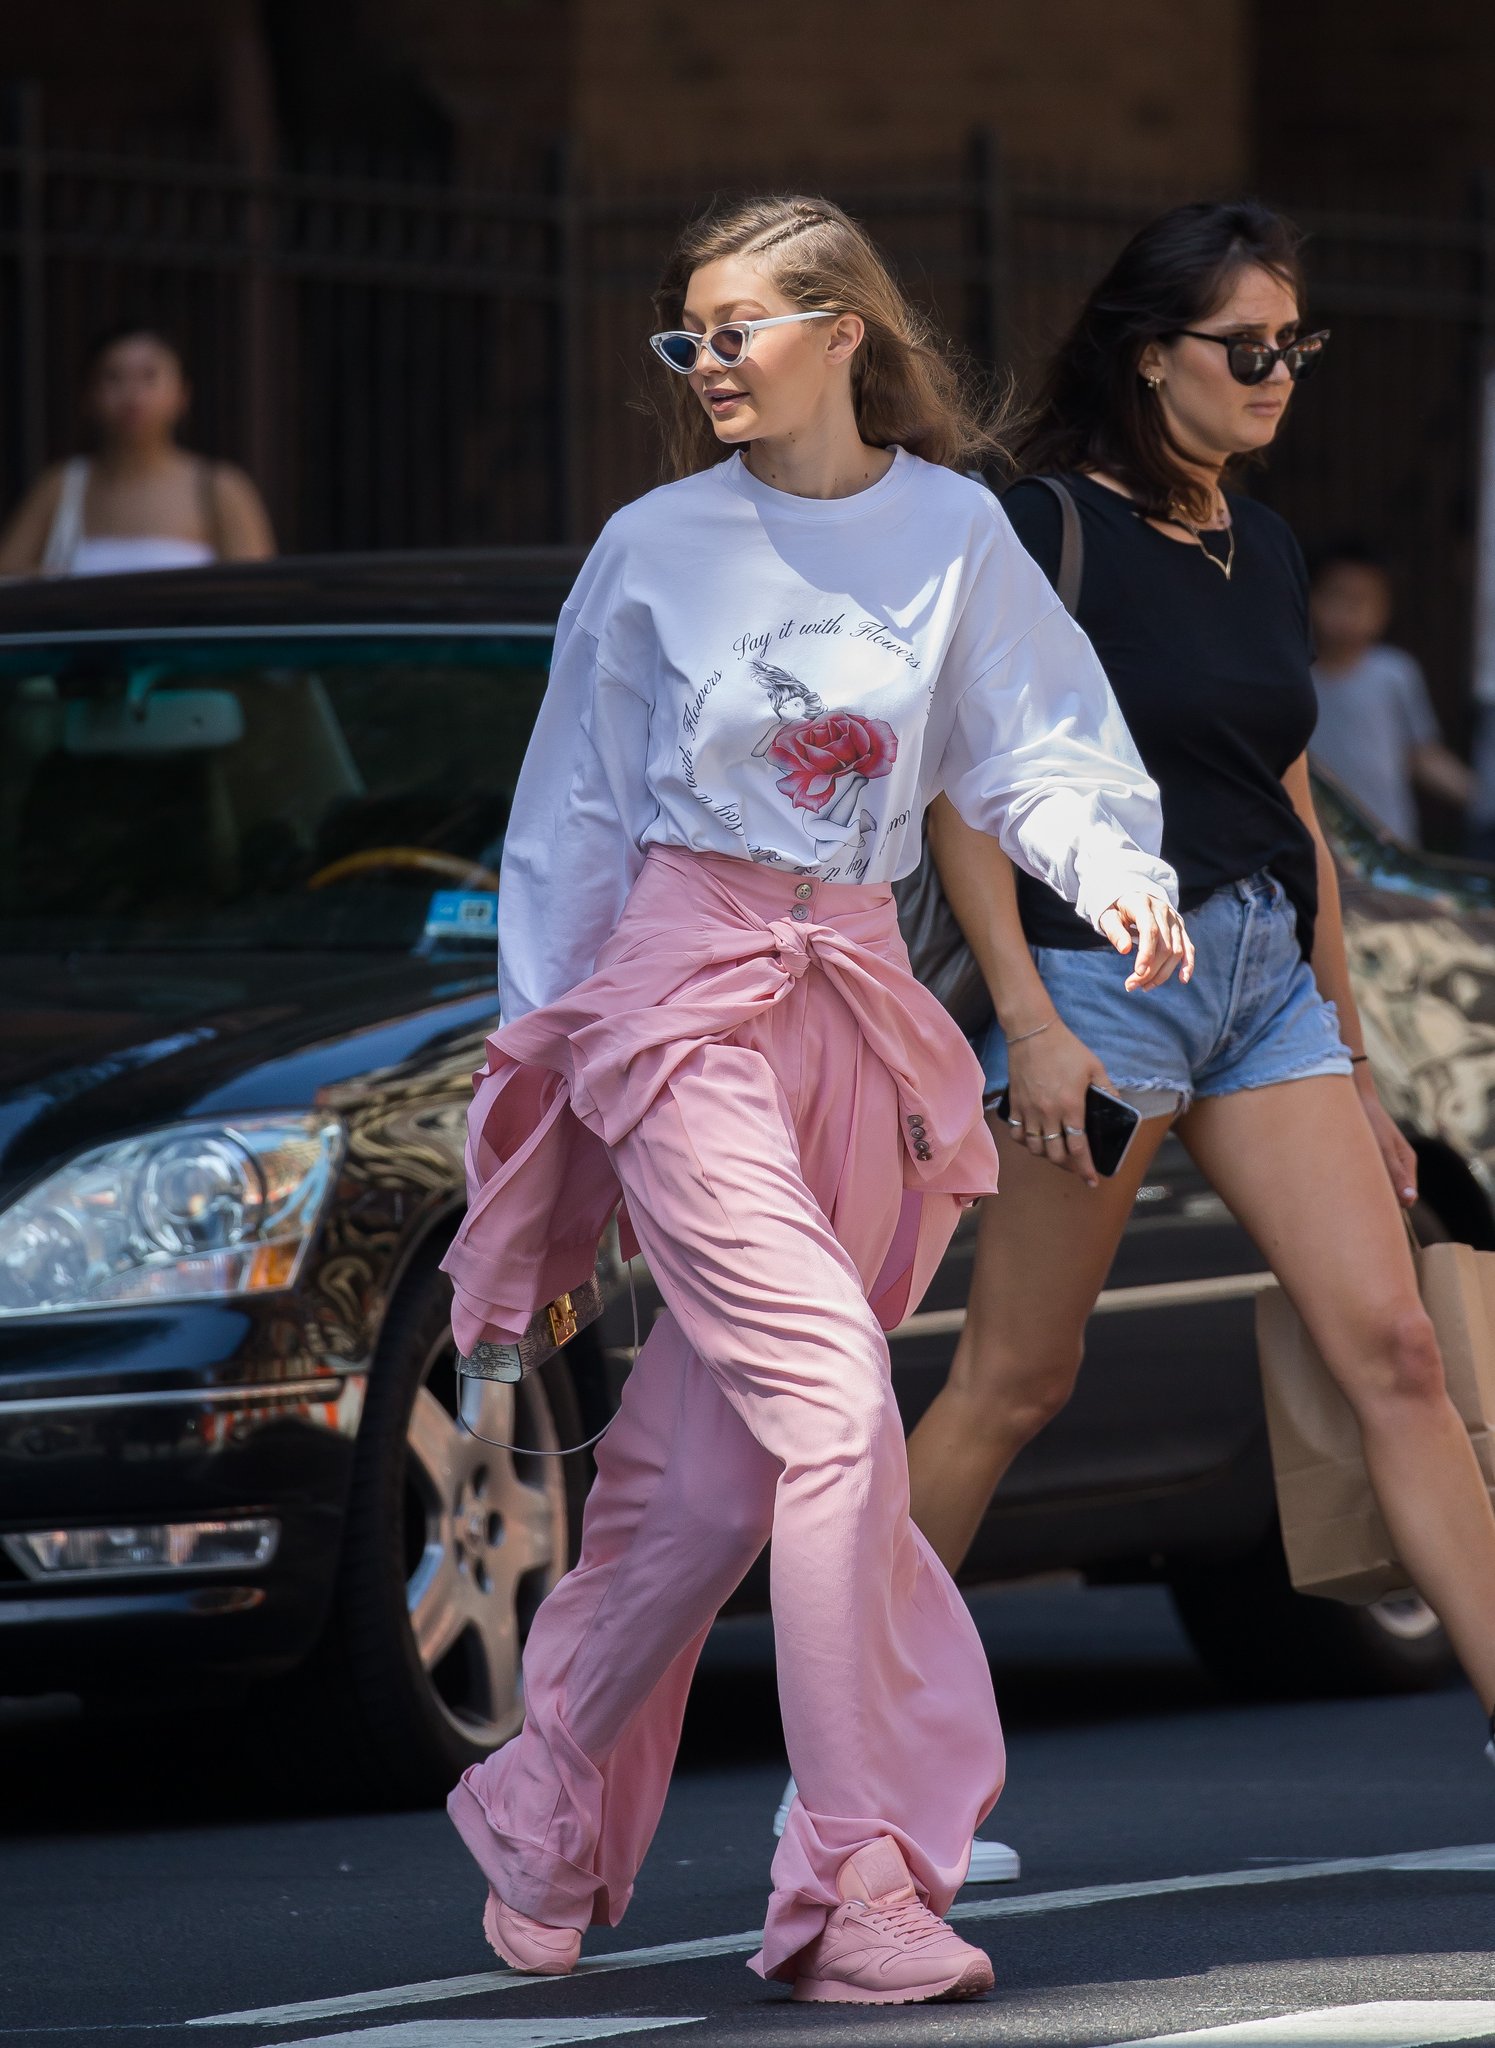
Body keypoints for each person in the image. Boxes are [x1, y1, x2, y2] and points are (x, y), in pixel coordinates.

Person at [438, 193, 1189, 2007]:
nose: (704, 361)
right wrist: (544, 1095)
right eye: (684, 333)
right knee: (844, 1410)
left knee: (709, 1483)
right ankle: (861, 1872)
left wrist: (1119, 871)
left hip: (855, 1012)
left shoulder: (952, 532)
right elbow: (574, 822)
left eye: (737, 326)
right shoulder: (651, 546)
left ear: (843, 330)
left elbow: (1038, 739)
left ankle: (542, 1788)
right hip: (684, 1001)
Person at [900, 204, 1495, 1863]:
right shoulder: (1038, 531)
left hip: (1261, 991)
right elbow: (967, 786)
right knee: (1016, 1377)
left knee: (1399, 1355)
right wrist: (1029, 1018)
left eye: (1298, 347)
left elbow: (1291, 807)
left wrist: (1358, 1062)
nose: (1281, 374)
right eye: (1251, 348)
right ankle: (860, 1771)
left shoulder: (1271, 544)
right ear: (1148, 353)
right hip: (1102, 983)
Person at [0, 323, 274, 577]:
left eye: (149, 377)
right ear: (88, 395)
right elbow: (8, 577)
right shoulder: (63, 485)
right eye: (113, 378)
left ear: (182, 394)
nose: (132, 396)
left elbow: (255, 593)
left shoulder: (219, 488)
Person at [1308, 541, 1472, 844]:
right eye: (1338, 595)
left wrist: (1480, 797)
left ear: (1385, 609)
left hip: (1389, 845)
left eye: (1364, 600)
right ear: (1309, 598)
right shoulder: (1295, 678)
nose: (1350, 610)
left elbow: (1423, 756)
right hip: (1313, 844)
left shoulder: (1395, 673)